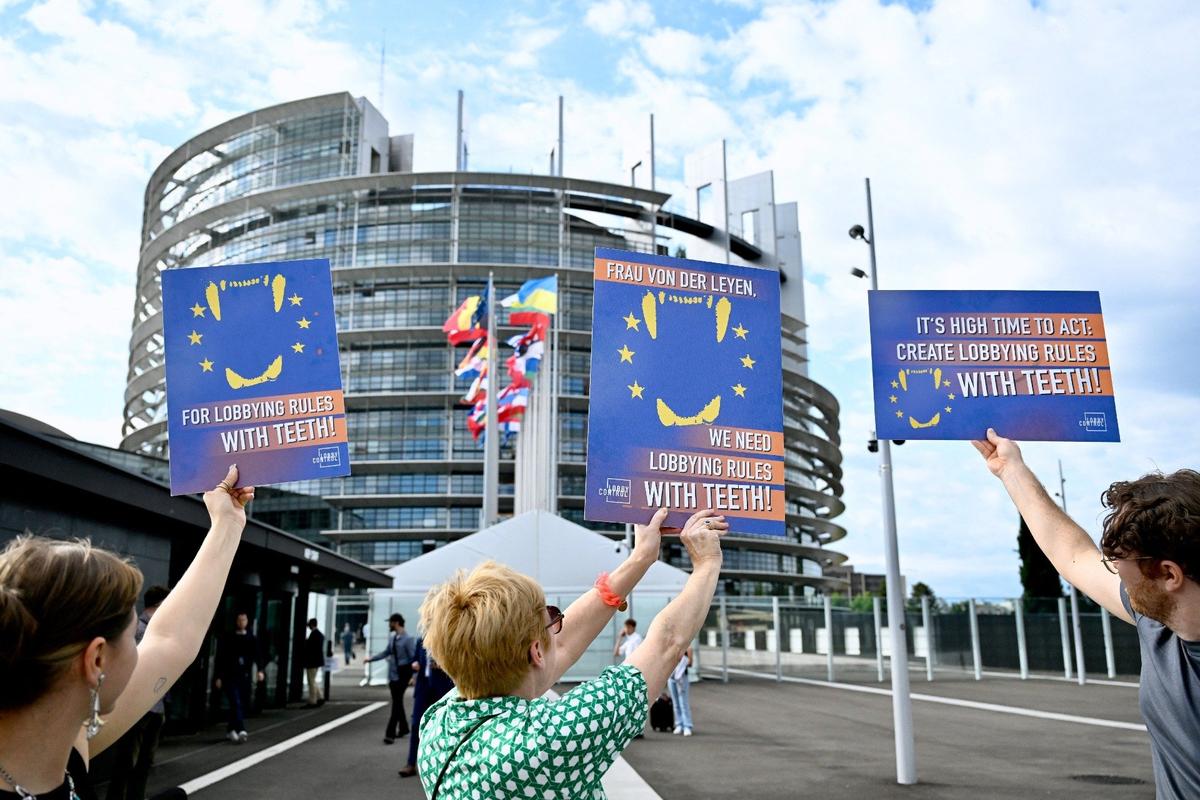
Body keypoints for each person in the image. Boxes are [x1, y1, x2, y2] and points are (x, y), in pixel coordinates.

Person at [416, 508, 727, 800]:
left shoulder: (438, 724)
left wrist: (641, 557)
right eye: (550, 619)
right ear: (536, 651)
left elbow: (561, 646)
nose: (558, 627)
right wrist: (707, 563)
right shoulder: (550, 740)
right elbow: (667, 643)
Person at [0, 466, 254, 798]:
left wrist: (228, 524)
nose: (142, 650)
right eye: (135, 639)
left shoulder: (59, 738)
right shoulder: (65, 745)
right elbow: (168, 641)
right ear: (96, 660)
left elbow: (171, 640)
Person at [974, 428, 1200, 799]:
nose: (1111, 569)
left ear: (1169, 574)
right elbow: (1075, 555)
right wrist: (1011, 470)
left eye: (1119, 563)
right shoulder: (1159, 620)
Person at [104, 585, 170, 800]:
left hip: (154, 704)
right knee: (128, 762)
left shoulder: (153, 630)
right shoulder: (140, 630)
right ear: (160, 604)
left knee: (143, 762)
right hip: (137, 706)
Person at [398, 638, 454, 779]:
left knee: (443, 726)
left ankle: (444, 765)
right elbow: (416, 658)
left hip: (442, 688)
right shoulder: (420, 640)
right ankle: (411, 764)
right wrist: (415, 663)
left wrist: (443, 665)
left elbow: (456, 661)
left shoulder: (445, 638)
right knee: (416, 724)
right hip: (423, 688)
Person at [214, 611, 266, 742]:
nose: (242, 622)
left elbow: (257, 655)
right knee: (235, 701)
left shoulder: (251, 638)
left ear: (247, 621)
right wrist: (219, 676)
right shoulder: (229, 637)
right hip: (229, 675)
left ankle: (231, 729)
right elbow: (221, 657)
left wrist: (260, 670)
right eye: (239, 620)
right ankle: (241, 729)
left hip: (244, 676)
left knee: (238, 703)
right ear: (236, 621)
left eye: (244, 620)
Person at [365, 613, 416, 743]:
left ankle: (390, 734)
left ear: (397, 623)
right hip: (393, 674)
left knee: (396, 704)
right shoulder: (393, 638)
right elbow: (386, 652)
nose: (389, 625)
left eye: (391, 622)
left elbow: (413, 658)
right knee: (397, 702)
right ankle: (404, 728)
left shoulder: (408, 639)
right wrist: (371, 659)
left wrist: (414, 676)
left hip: (403, 674)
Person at [668, 645, 695, 737]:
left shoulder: (688, 647)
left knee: (683, 702)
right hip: (671, 676)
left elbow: (690, 663)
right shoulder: (671, 646)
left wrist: (683, 659)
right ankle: (679, 724)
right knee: (675, 702)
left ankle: (687, 725)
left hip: (682, 677)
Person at [301, 619, 325, 708]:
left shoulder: (314, 635)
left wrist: (306, 642)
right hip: (317, 661)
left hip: (312, 661)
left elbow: (310, 648)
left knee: (311, 681)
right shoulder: (319, 634)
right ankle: (320, 697)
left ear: (311, 625)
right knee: (313, 680)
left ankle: (313, 700)